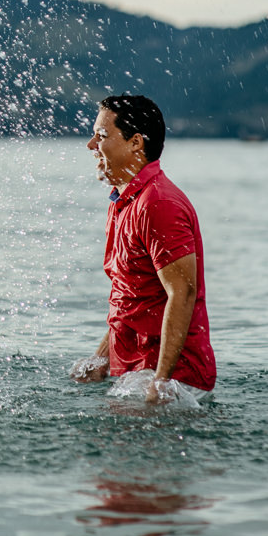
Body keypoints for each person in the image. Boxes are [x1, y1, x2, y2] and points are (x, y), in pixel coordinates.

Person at [70, 95, 216, 404]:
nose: (91, 145)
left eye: (102, 136)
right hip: (135, 374)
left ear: (136, 143)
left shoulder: (158, 204)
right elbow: (133, 299)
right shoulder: (122, 201)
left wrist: (161, 382)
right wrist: (101, 358)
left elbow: (182, 294)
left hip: (173, 381)